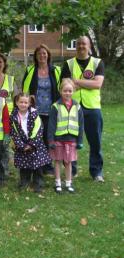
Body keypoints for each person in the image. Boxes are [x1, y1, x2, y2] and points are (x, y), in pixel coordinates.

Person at [61, 36, 105, 182]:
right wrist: (88, 83)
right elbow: (65, 85)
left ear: (89, 45)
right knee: (70, 141)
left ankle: (96, 172)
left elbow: (98, 84)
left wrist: (76, 81)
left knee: (95, 141)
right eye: (78, 43)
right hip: (72, 107)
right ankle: (71, 171)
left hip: (92, 107)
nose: (81, 46)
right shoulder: (68, 64)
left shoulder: (97, 62)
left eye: (83, 44)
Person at [22, 44, 61, 174]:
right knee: (37, 138)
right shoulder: (30, 70)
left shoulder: (56, 70)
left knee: (49, 137)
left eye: (44, 53)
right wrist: (28, 98)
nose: (42, 56)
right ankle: (37, 163)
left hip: (51, 110)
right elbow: (24, 89)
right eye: (39, 54)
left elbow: (61, 88)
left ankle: (48, 165)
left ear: (48, 55)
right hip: (35, 111)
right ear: (36, 56)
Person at [48, 79, 84, 193]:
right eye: (65, 91)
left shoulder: (77, 106)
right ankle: (58, 183)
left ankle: (68, 183)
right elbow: (51, 125)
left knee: (68, 162)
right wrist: (51, 140)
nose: (67, 93)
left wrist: (80, 140)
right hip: (58, 139)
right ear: (60, 91)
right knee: (57, 161)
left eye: (70, 91)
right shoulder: (55, 106)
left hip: (71, 139)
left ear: (73, 91)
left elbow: (81, 124)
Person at [10, 93, 51, 193]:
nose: (23, 104)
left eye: (25, 102)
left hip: (35, 144)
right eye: (21, 102)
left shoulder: (34, 114)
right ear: (16, 102)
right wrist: (21, 145)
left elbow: (39, 129)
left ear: (29, 104)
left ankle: (38, 183)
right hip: (22, 145)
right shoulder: (13, 116)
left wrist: (31, 144)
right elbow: (14, 132)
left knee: (37, 165)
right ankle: (24, 182)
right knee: (24, 166)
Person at [0, 53, 18, 178]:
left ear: (4, 64)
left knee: (5, 146)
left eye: (0, 62)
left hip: (8, 118)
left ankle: (4, 170)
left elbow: (16, 98)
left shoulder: (10, 79)